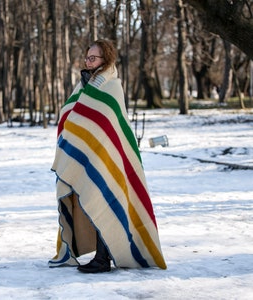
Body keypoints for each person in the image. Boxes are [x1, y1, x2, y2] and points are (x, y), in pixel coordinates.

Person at [48, 39, 166, 273]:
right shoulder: (84, 84)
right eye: (87, 57)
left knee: (106, 201)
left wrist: (87, 102)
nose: (88, 61)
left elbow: (106, 120)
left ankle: (103, 258)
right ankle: (100, 255)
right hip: (87, 157)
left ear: (106, 60)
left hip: (106, 156)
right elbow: (70, 114)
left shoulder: (112, 85)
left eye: (93, 58)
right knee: (91, 201)